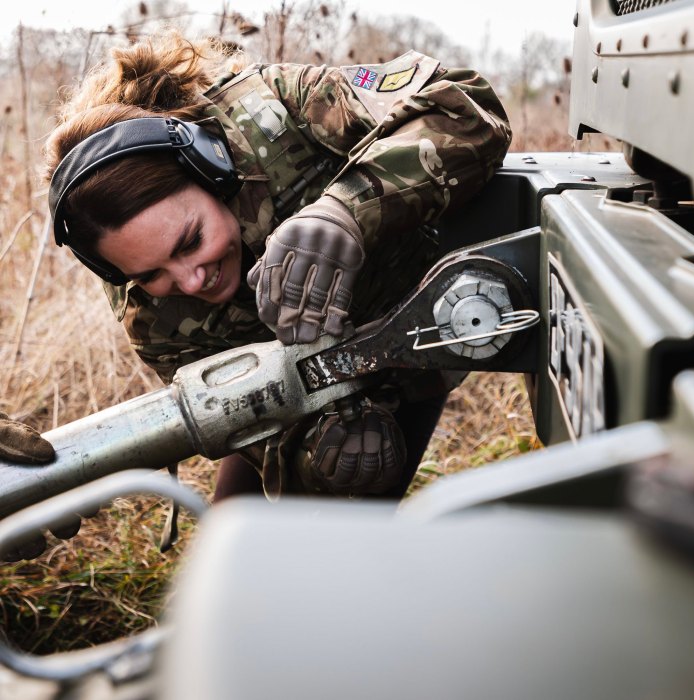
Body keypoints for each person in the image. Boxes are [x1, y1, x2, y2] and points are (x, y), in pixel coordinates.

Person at [45, 33, 511, 501]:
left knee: (365, 526)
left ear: (212, 169)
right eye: (151, 274)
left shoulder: (276, 110)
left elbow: (466, 108)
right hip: (288, 392)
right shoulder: (147, 315)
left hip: (418, 333)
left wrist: (346, 210)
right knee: (248, 530)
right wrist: (318, 449)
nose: (190, 280)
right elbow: (248, 425)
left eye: (191, 240)